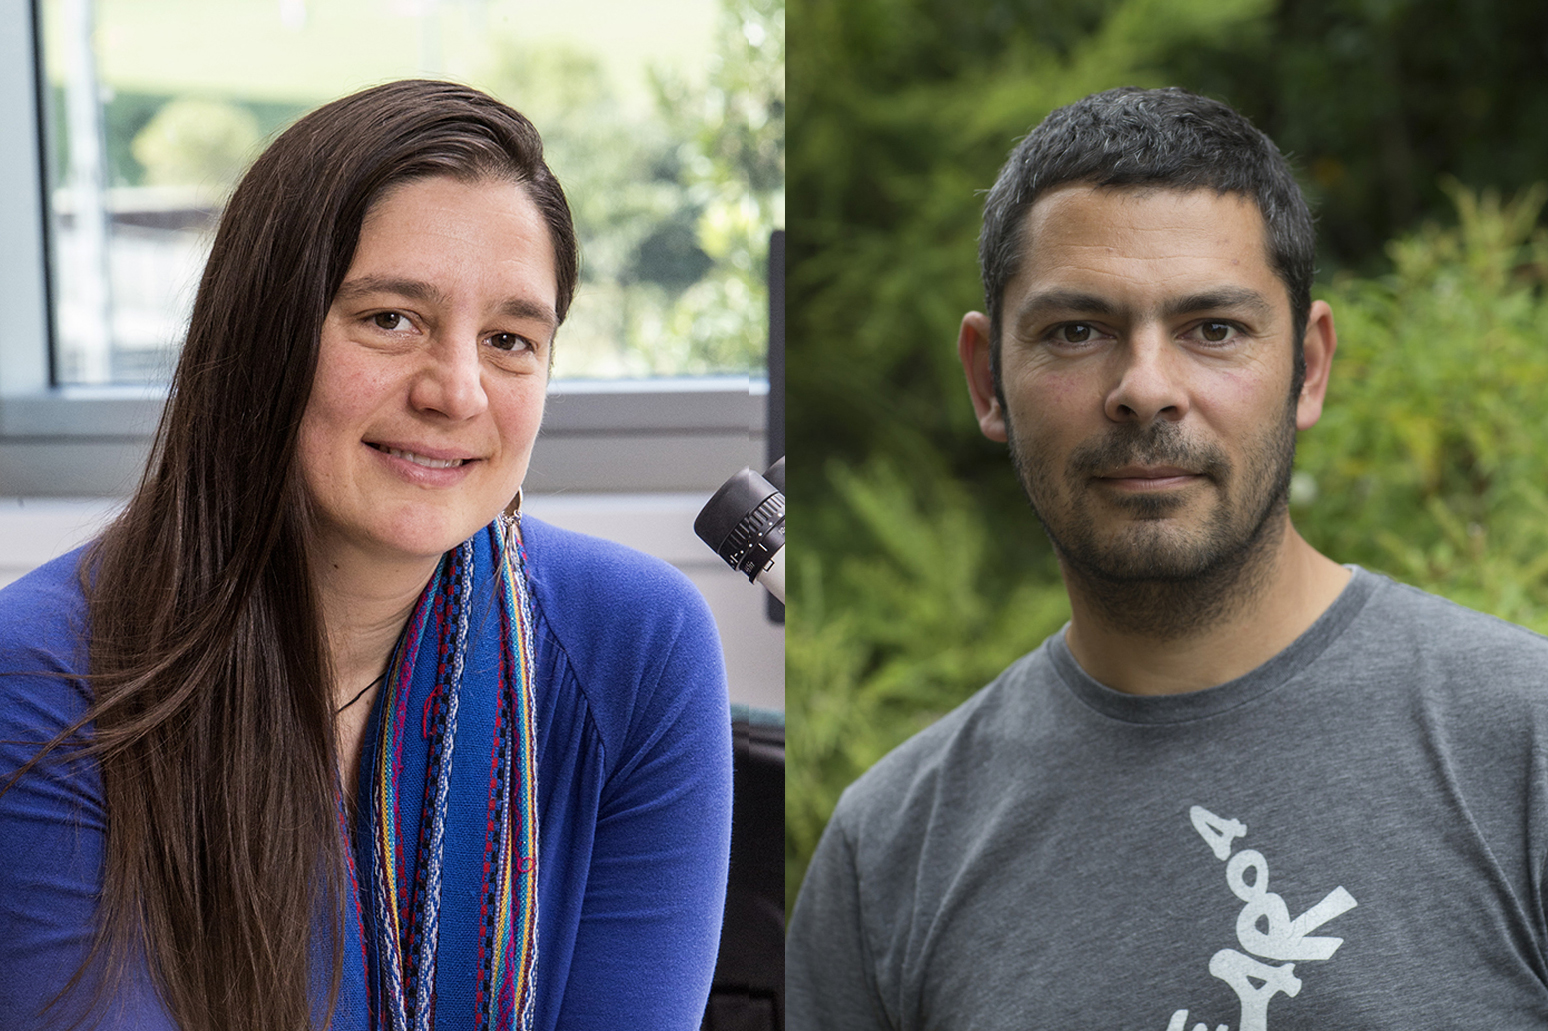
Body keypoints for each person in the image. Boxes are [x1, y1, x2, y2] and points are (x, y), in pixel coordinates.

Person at [786, 86, 1548, 1028]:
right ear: (988, 380)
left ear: (1308, 368)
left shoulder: (1524, 747)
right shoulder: (891, 850)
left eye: (1213, 329)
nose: (1145, 389)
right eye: (1077, 332)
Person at [0, 80, 731, 1031]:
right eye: (391, 319)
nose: (457, 390)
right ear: (262, 336)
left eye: (511, 340)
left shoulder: (636, 646)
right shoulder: (48, 673)